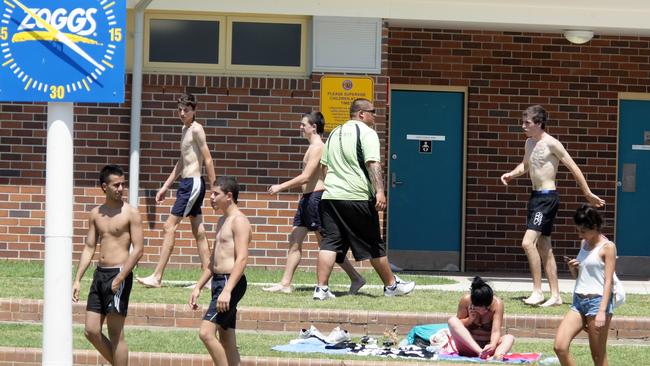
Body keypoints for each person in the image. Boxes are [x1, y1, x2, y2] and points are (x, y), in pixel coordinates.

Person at [500, 105, 605, 307]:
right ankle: (556, 296)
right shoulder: (529, 143)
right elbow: (526, 165)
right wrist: (511, 174)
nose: (523, 126)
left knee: (527, 242)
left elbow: (573, 166)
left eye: (527, 123)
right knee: (544, 246)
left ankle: (537, 291)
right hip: (535, 197)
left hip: (547, 199)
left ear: (538, 123)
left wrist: (587, 193)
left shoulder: (552, 144)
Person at [314, 98, 415, 300]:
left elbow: (324, 167)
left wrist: (335, 185)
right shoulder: (367, 133)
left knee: (330, 242)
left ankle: (321, 289)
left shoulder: (334, 133)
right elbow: (373, 163)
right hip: (357, 196)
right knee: (373, 243)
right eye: (373, 111)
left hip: (331, 196)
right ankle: (391, 285)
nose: (375, 116)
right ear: (361, 114)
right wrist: (380, 191)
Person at [263, 112, 366, 294]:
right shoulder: (311, 147)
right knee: (295, 240)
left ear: (314, 127)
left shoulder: (318, 147)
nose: (300, 127)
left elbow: (306, 177)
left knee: (326, 245)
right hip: (307, 200)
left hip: (316, 199)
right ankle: (285, 283)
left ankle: (356, 278)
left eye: (303, 125)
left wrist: (280, 187)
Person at [138, 93, 217, 288]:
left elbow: (208, 159)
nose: (182, 113)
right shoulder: (184, 129)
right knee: (198, 230)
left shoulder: (197, 130)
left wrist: (215, 189)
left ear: (194, 110)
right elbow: (182, 161)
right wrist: (166, 186)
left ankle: (157, 277)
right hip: (186, 183)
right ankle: (209, 279)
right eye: (180, 110)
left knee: (168, 227)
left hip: (193, 184)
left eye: (186, 110)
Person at [72, 165, 144, 366]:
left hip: (119, 275)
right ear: (105, 187)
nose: (121, 188)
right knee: (91, 330)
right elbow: (88, 247)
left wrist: (120, 278)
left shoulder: (131, 213)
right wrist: (77, 279)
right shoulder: (96, 214)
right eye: (116, 185)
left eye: (123, 184)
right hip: (99, 275)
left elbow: (138, 250)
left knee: (116, 333)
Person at [189, 176, 250, 366]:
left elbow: (242, 258)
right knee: (226, 340)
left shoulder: (239, 221)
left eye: (216, 194)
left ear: (229, 196)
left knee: (206, 333)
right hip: (218, 282)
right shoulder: (222, 220)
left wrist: (227, 290)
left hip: (229, 283)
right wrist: (198, 286)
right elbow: (213, 261)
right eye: (211, 194)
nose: (211, 198)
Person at [554, 205, 616, 366]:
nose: (580, 235)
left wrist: (602, 311)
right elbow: (580, 276)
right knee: (560, 346)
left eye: (583, 231)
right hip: (578, 302)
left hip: (597, 303)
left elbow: (609, 281)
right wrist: (573, 268)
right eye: (578, 230)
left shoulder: (608, 247)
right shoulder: (584, 243)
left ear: (594, 227)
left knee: (598, 356)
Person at [447, 276, 515, 360]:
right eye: (481, 307)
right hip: (467, 347)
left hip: (488, 347)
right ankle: (480, 352)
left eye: (487, 307)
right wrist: (469, 320)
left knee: (509, 338)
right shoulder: (465, 300)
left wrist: (493, 345)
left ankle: (497, 356)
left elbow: (496, 330)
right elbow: (457, 327)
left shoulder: (497, 303)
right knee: (452, 320)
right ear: (474, 303)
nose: (485, 310)